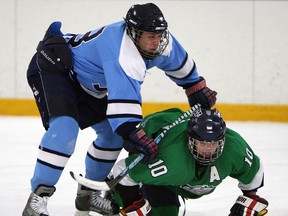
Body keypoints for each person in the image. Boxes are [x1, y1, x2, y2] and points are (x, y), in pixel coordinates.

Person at [22, 2, 217, 216]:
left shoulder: (161, 42)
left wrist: (195, 86)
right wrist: (133, 133)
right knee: (65, 130)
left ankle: (88, 194)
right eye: (150, 37)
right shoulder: (123, 52)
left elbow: (181, 65)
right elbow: (125, 115)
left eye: (159, 36)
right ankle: (37, 199)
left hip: (89, 85)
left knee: (113, 138)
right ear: (134, 33)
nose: (156, 42)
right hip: (55, 68)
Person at [112, 107, 269, 216]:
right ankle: (111, 198)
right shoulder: (169, 159)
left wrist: (250, 197)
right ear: (190, 140)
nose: (208, 149)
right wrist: (131, 202)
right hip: (163, 179)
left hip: (177, 177)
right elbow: (122, 172)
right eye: (202, 143)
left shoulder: (234, 149)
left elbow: (254, 172)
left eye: (213, 144)